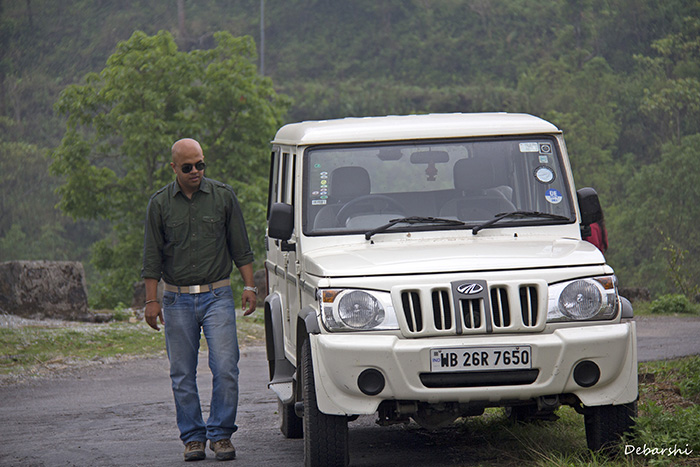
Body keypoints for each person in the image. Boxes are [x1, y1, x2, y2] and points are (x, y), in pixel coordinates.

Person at [141, 138, 258, 462]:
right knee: (181, 372)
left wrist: (250, 287)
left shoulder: (223, 196)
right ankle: (193, 438)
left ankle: (221, 434)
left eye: (200, 165)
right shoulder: (160, 204)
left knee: (225, 367)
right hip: (176, 300)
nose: (196, 171)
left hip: (217, 294)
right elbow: (151, 258)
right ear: (174, 168)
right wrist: (152, 301)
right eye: (188, 167)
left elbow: (241, 247)